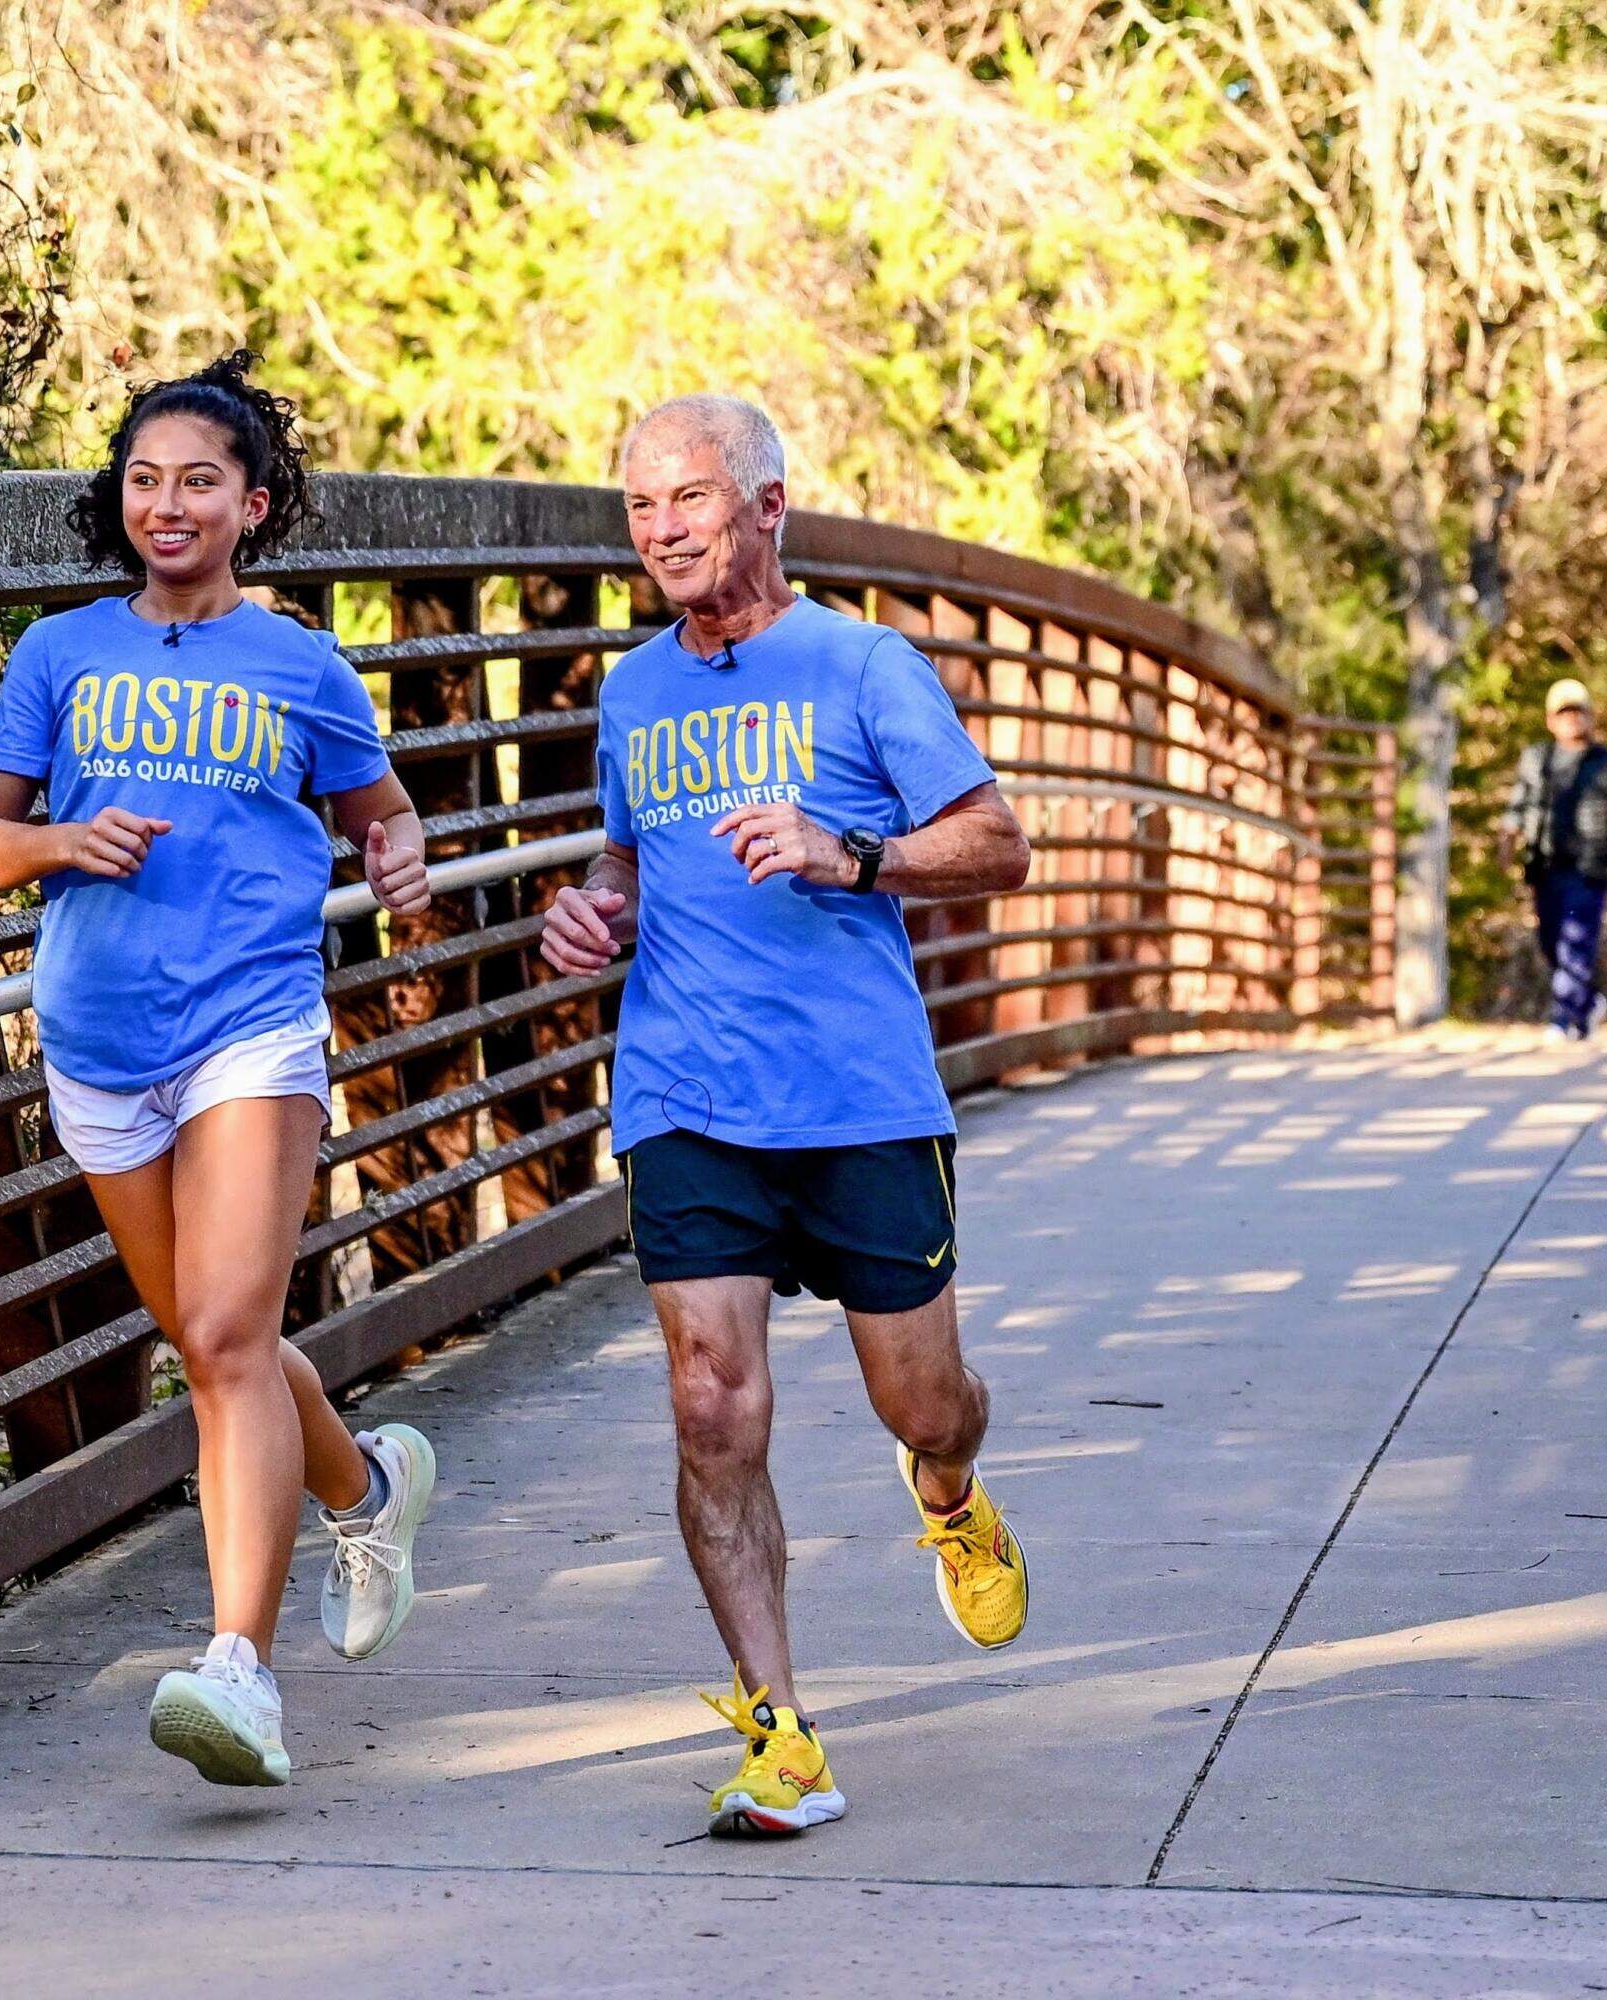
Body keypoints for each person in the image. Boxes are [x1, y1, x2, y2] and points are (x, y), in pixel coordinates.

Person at [537, 394, 1036, 1838]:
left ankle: (950, 1492)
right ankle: (783, 1732)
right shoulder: (631, 694)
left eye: (688, 498)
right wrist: (593, 919)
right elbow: (628, 874)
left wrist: (849, 849)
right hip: (689, 1093)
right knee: (711, 1406)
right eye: (639, 508)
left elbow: (998, 845)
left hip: (859, 1095)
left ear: (767, 505)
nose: (662, 529)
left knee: (920, 1400)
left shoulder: (864, 664)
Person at [0, 352, 441, 1786]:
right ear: (120, 498)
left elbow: (382, 811)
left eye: (200, 482)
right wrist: (51, 844)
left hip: (252, 1025)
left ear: (254, 503)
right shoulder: (60, 655)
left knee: (228, 1336)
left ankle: (240, 1670)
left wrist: (400, 856)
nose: (167, 503)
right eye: (145, 479)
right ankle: (368, 1487)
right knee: (213, 1342)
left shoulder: (299, 664)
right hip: (99, 1039)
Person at [1503, 678, 1607, 1040]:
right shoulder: (1537, 759)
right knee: (1551, 940)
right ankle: (1586, 1007)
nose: (1571, 719)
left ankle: (1562, 1016)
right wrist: (1507, 838)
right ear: (1550, 720)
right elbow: (1519, 803)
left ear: (1590, 717)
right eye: (1563, 713)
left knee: (1576, 939)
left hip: (1589, 866)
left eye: (1578, 711)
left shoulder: (1606, 761)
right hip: (1546, 865)